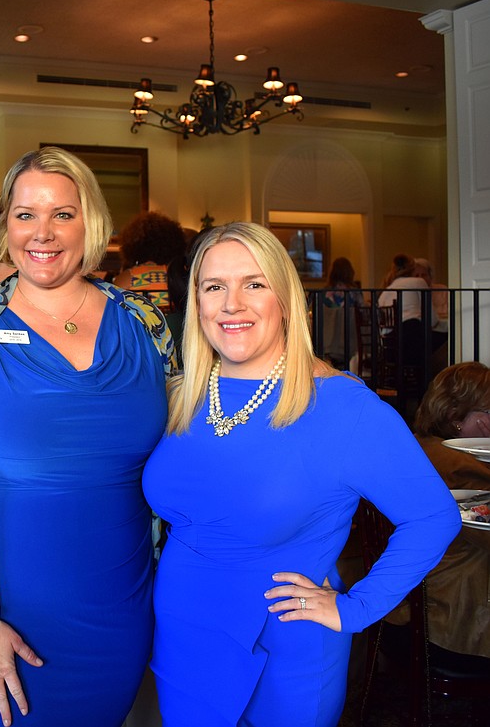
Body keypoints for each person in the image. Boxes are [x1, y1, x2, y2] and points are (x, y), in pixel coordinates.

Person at [141, 221, 460, 726]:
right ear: (196, 302)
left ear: (285, 298)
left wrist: (355, 608)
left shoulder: (343, 406)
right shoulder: (181, 395)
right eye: (214, 286)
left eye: (254, 283)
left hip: (286, 652)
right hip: (184, 639)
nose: (232, 304)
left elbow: (434, 517)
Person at [0, 146, 176, 727]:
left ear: (91, 222)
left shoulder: (147, 326)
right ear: (6, 227)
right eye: (25, 215)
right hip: (0, 629)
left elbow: (195, 449)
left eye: (63, 214)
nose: (42, 233)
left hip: (124, 613)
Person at [385, 362, 490, 660]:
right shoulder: (464, 469)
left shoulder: (419, 449)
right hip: (451, 622)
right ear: (460, 418)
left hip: (402, 611)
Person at [113, 210, 187, 313]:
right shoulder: (174, 276)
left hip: (138, 328)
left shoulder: (126, 278)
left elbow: (113, 311)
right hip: (171, 328)